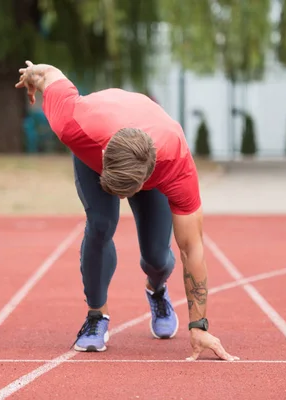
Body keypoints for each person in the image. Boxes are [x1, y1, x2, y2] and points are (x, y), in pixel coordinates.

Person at [15, 61, 239, 362]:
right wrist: (32, 74)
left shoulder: (176, 164)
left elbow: (192, 248)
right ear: (105, 154)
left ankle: (157, 290)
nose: (121, 197)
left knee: (158, 256)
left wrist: (199, 325)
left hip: (150, 150)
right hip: (96, 142)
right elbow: (48, 74)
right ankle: (97, 315)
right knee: (101, 224)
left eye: (127, 191)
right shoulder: (73, 124)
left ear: (148, 177)